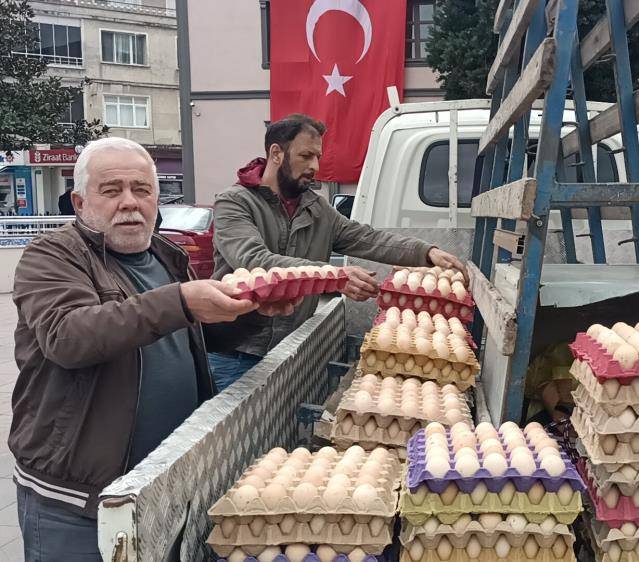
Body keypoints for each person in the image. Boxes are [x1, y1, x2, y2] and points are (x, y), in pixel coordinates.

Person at [9, 138, 295, 562]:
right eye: (112, 190)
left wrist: (250, 314)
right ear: (79, 200)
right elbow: (68, 337)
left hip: (166, 484)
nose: (130, 203)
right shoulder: (49, 256)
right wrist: (179, 301)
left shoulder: (166, 256)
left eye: (142, 190)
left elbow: (195, 336)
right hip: (78, 498)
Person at [210, 113, 467, 389]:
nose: (315, 166)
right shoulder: (235, 203)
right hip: (238, 351)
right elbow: (254, 261)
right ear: (276, 153)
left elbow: (366, 238)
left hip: (288, 349)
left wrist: (425, 252)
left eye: (318, 157)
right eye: (306, 156)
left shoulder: (316, 208)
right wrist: (335, 276)